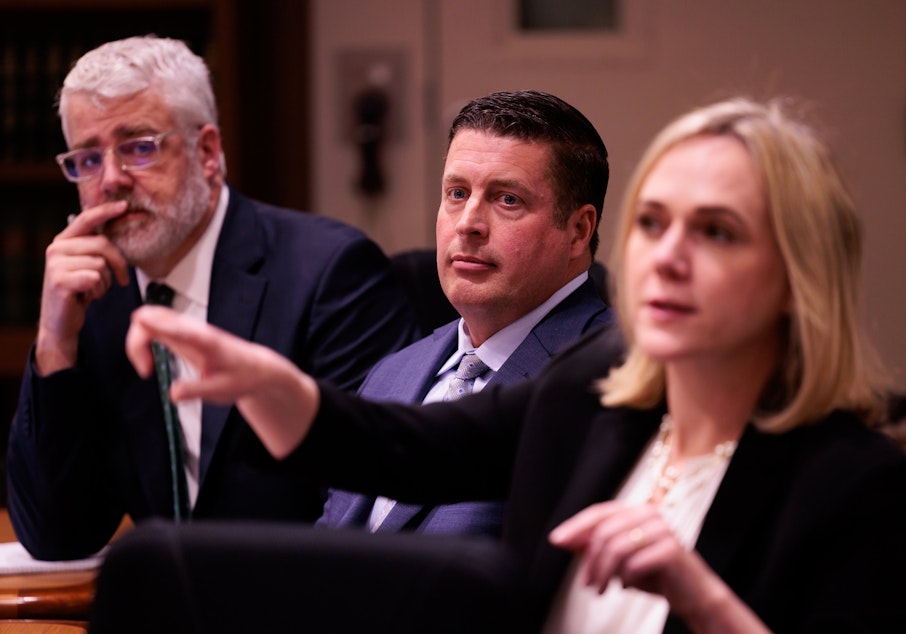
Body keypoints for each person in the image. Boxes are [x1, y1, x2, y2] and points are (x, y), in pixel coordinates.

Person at [124, 97, 906, 632]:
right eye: (655, 223)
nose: (668, 258)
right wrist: (275, 384)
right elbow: (407, 447)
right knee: (153, 576)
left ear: (796, 276)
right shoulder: (591, 397)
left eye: (718, 232)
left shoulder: (857, 484)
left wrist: (701, 600)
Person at [6, 35, 418, 561]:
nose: (110, 180)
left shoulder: (330, 273)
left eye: (138, 148)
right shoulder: (95, 300)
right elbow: (57, 535)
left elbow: (372, 509)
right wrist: (54, 341)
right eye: (87, 159)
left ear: (206, 152)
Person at [319, 90, 613, 537]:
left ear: (578, 231)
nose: (468, 222)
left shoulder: (610, 377)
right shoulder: (393, 372)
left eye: (507, 199)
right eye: (457, 193)